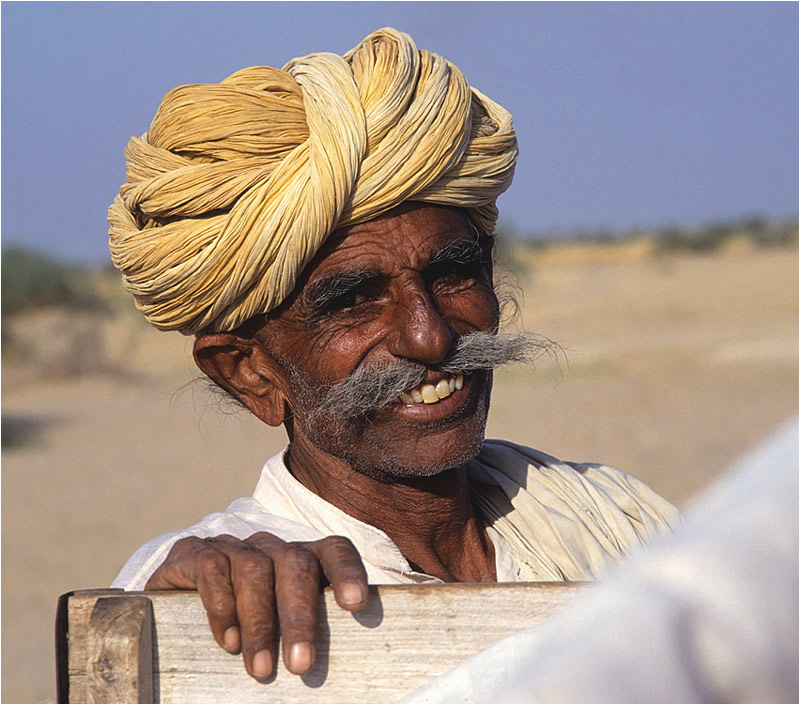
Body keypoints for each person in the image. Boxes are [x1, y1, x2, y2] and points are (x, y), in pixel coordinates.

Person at [108, 28, 679, 683]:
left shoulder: (609, 518)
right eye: (352, 300)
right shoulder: (230, 586)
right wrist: (164, 594)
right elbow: (132, 625)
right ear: (249, 372)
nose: (430, 337)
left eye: (452, 274)